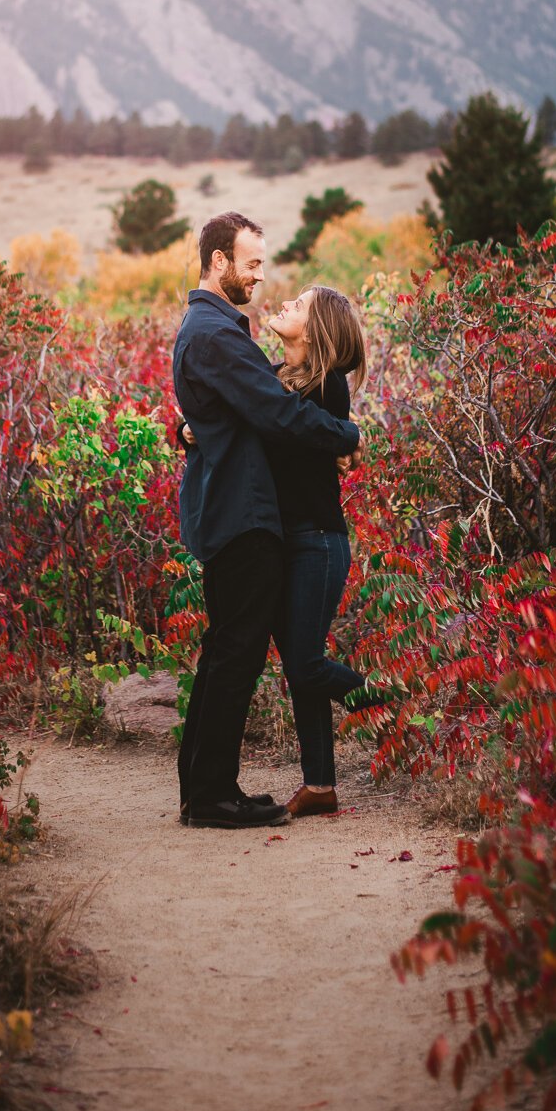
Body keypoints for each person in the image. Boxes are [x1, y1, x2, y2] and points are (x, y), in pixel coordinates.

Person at [173, 213, 360, 830]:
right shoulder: (217, 335)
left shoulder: (214, 331)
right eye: (251, 263)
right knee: (237, 654)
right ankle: (212, 796)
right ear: (219, 262)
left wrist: (190, 429)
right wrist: (344, 435)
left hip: (235, 510)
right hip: (240, 514)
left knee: (226, 650)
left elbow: (245, 411)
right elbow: (277, 412)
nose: (260, 276)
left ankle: (202, 788)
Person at [265, 287, 383, 818]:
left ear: (315, 331)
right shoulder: (276, 378)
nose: (286, 302)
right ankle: (320, 785)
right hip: (287, 541)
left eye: (300, 303)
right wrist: (187, 429)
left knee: (307, 663)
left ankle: (393, 708)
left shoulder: (327, 387)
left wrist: (348, 434)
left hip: (318, 541)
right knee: (299, 662)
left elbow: (294, 423)